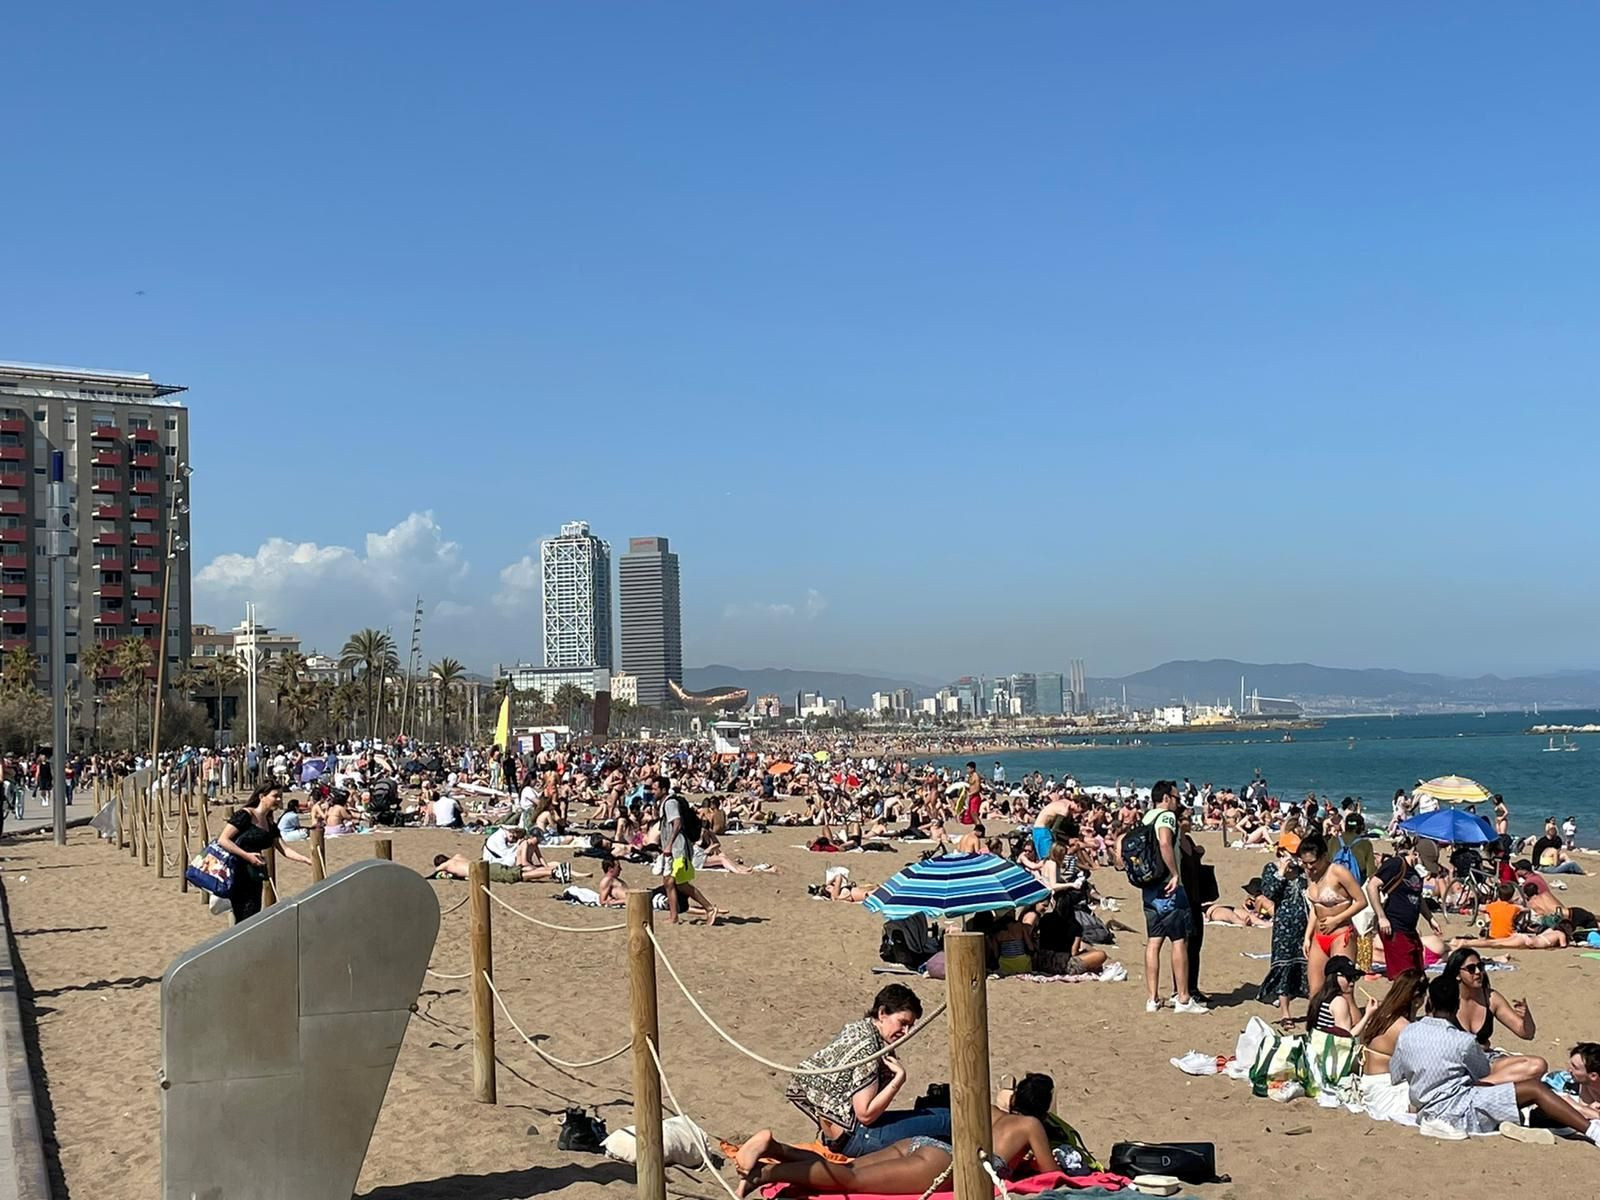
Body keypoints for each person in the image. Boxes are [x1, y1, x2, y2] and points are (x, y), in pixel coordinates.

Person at [737, 1072, 1055, 1198]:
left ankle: (776, 1148)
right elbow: (1050, 1175)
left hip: (927, 1146)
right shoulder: (1030, 1126)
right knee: (851, 1181)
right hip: (944, 1164)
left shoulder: (990, 1110)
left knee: (849, 1168)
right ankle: (768, 1172)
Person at [734, 985, 949, 1169]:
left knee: (932, 1115)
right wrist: (898, 1079)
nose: (906, 1031)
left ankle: (770, 1150)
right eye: (902, 1023)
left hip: (836, 1136)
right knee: (946, 1120)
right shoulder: (867, 1049)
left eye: (910, 1026)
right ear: (882, 1013)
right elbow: (865, 1114)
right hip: (858, 1136)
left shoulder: (855, 1030)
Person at [1389, 974, 1600, 1141]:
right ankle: (1591, 1131)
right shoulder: (1462, 1041)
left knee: (1516, 1096)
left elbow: (1396, 1074)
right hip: (1459, 1109)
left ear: (1429, 1004)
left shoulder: (1408, 1032)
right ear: (1456, 1005)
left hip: (1425, 1108)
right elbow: (1483, 1073)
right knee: (1534, 1089)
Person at [1136, 781, 1205, 1014]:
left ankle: (1152, 998)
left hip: (1149, 887)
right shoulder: (1166, 817)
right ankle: (1183, 998)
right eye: (1176, 798)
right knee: (1179, 940)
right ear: (1166, 798)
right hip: (1168, 886)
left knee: (1154, 941)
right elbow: (1165, 842)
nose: (1177, 802)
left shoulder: (1145, 818)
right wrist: (1175, 873)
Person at [216, 784, 314, 924]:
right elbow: (223, 840)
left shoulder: (269, 823)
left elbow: (284, 849)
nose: (279, 799)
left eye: (280, 796)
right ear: (262, 797)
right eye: (275, 796)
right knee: (243, 916)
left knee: (252, 914)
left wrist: (307, 860)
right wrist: (247, 856)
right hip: (236, 873)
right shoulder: (245, 815)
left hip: (254, 875)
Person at [1297, 833, 1366, 997]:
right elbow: (1316, 907)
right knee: (1315, 991)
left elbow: (1361, 901)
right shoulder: (1311, 875)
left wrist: (1336, 920)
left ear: (1323, 856)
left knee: (1342, 991)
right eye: (1305, 863)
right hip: (1319, 937)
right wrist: (1307, 936)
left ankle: (1350, 1023)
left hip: (1341, 935)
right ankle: (1317, 1023)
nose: (1309, 868)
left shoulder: (1338, 872)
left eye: (1312, 863)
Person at [1357, 968, 1426, 1120]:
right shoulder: (1403, 1027)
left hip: (1369, 1083)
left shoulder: (1382, 1015)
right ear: (1417, 999)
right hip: (1385, 1092)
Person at [1437, 947, 1536, 1048]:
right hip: (1451, 1059)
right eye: (1471, 968)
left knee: (1538, 1063)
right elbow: (1432, 1035)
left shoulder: (1491, 998)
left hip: (1484, 1059)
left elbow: (1526, 1034)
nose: (1478, 972)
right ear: (1457, 974)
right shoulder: (1444, 998)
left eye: (1480, 966)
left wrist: (1526, 1016)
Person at [1258, 854, 1310, 1028]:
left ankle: (1314, 1010)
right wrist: (1281, 871)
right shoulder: (1272, 869)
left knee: (1309, 969)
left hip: (1307, 926)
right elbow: (1269, 893)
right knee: (1284, 968)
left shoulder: (1305, 868)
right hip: (1284, 928)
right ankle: (1285, 1013)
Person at [1366, 839, 1425, 979]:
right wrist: (1381, 917)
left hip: (1410, 929)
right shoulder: (1396, 864)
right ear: (1415, 854)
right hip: (1394, 926)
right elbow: (1372, 886)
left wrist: (1430, 919)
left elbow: (1418, 897)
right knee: (1404, 977)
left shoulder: (1416, 872)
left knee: (1418, 974)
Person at [1305, 955, 1367, 1037]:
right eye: (1348, 977)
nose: (1352, 983)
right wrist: (1367, 1015)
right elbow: (1345, 1037)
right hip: (1330, 1048)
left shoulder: (1320, 997)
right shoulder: (1339, 1002)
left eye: (1354, 977)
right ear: (1335, 977)